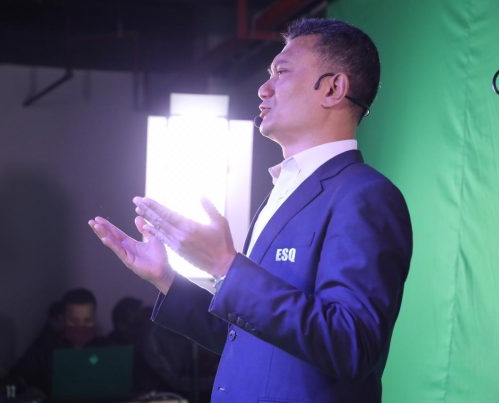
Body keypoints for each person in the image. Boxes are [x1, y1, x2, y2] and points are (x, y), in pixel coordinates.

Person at [89, 17, 413, 402]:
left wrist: (225, 266)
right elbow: (247, 337)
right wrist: (166, 278)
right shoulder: (281, 194)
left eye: (281, 72)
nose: (263, 88)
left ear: (332, 88)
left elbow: (351, 344)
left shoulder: (366, 196)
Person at [11, 288, 109, 397]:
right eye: (74, 320)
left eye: (87, 320)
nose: (81, 326)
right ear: (63, 318)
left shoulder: (107, 348)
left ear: (94, 319)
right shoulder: (44, 348)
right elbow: (16, 377)